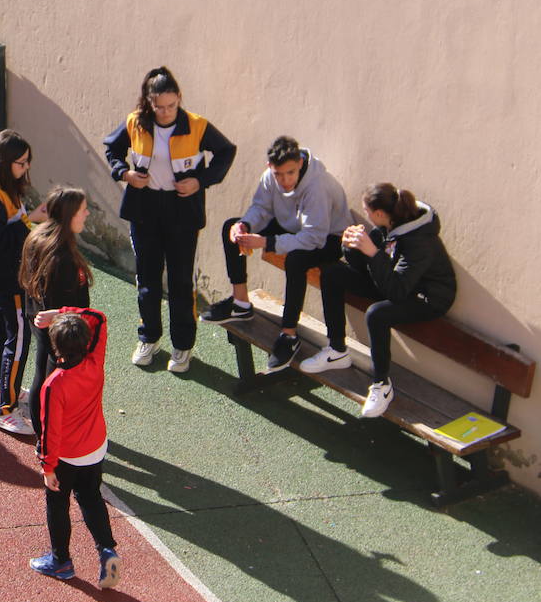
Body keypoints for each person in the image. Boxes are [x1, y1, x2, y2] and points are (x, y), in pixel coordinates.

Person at [103, 67, 236, 373]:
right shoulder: (135, 122)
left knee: (180, 281)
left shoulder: (198, 126)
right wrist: (124, 173)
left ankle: (182, 346)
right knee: (147, 280)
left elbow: (226, 152)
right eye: (158, 107)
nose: (164, 112)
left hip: (181, 213)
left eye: (171, 106)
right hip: (144, 209)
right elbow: (112, 147)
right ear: (148, 103)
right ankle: (149, 338)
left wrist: (200, 181)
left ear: (179, 99)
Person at [301, 183, 457, 418]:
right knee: (333, 274)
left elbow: (396, 292)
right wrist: (352, 246)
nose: (365, 214)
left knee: (377, 314)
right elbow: (368, 269)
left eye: (367, 210)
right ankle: (336, 350)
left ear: (380, 214)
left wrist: (373, 253)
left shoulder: (420, 242)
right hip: (396, 283)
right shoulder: (389, 225)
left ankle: (382, 385)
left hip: (427, 298)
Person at [202, 135, 353, 374]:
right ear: (269, 167)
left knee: (296, 259)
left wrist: (265, 242)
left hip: (328, 239)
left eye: (290, 173)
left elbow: (313, 238)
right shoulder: (269, 178)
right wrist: (246, 226)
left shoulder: (318, 186)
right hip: (293, 227)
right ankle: (240, 303)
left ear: (300, 165)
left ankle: (289, 335)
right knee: (231, 227)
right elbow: (261, 208)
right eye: (278, 174)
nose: (284, 180)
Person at [28, 307, 120, 589]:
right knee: (91, 497)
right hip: (95, 449)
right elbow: (100, 317)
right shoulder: (95, 362)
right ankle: (106, 549)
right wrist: (60, 313)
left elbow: (50, 431)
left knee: (57, 504)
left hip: (66, 456)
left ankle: (61, 561)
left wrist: (47, 466)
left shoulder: (54, 384)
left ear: (55, 347)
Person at [0, 129, 47, 435]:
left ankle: (1, 388)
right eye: (21, 163)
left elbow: (12, 228)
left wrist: (33, 220)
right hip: (8, 279)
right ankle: (6, 408)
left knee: (3, 331)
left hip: (7, 277)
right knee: (17, 341)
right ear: (4, 163)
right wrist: (33, 227)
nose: (26, 167)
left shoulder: (5, 189)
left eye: (28, 162)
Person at [18, 186, 93, 433]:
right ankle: (46, 434)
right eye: (83, 210)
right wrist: (64, 317)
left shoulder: (40, 238)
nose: (88, 214)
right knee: (53, 379)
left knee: (43, 370)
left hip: (39, 320)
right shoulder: (61, 259)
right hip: (58, 329)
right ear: (70, 215)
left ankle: (44, 432)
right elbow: (56, 304)